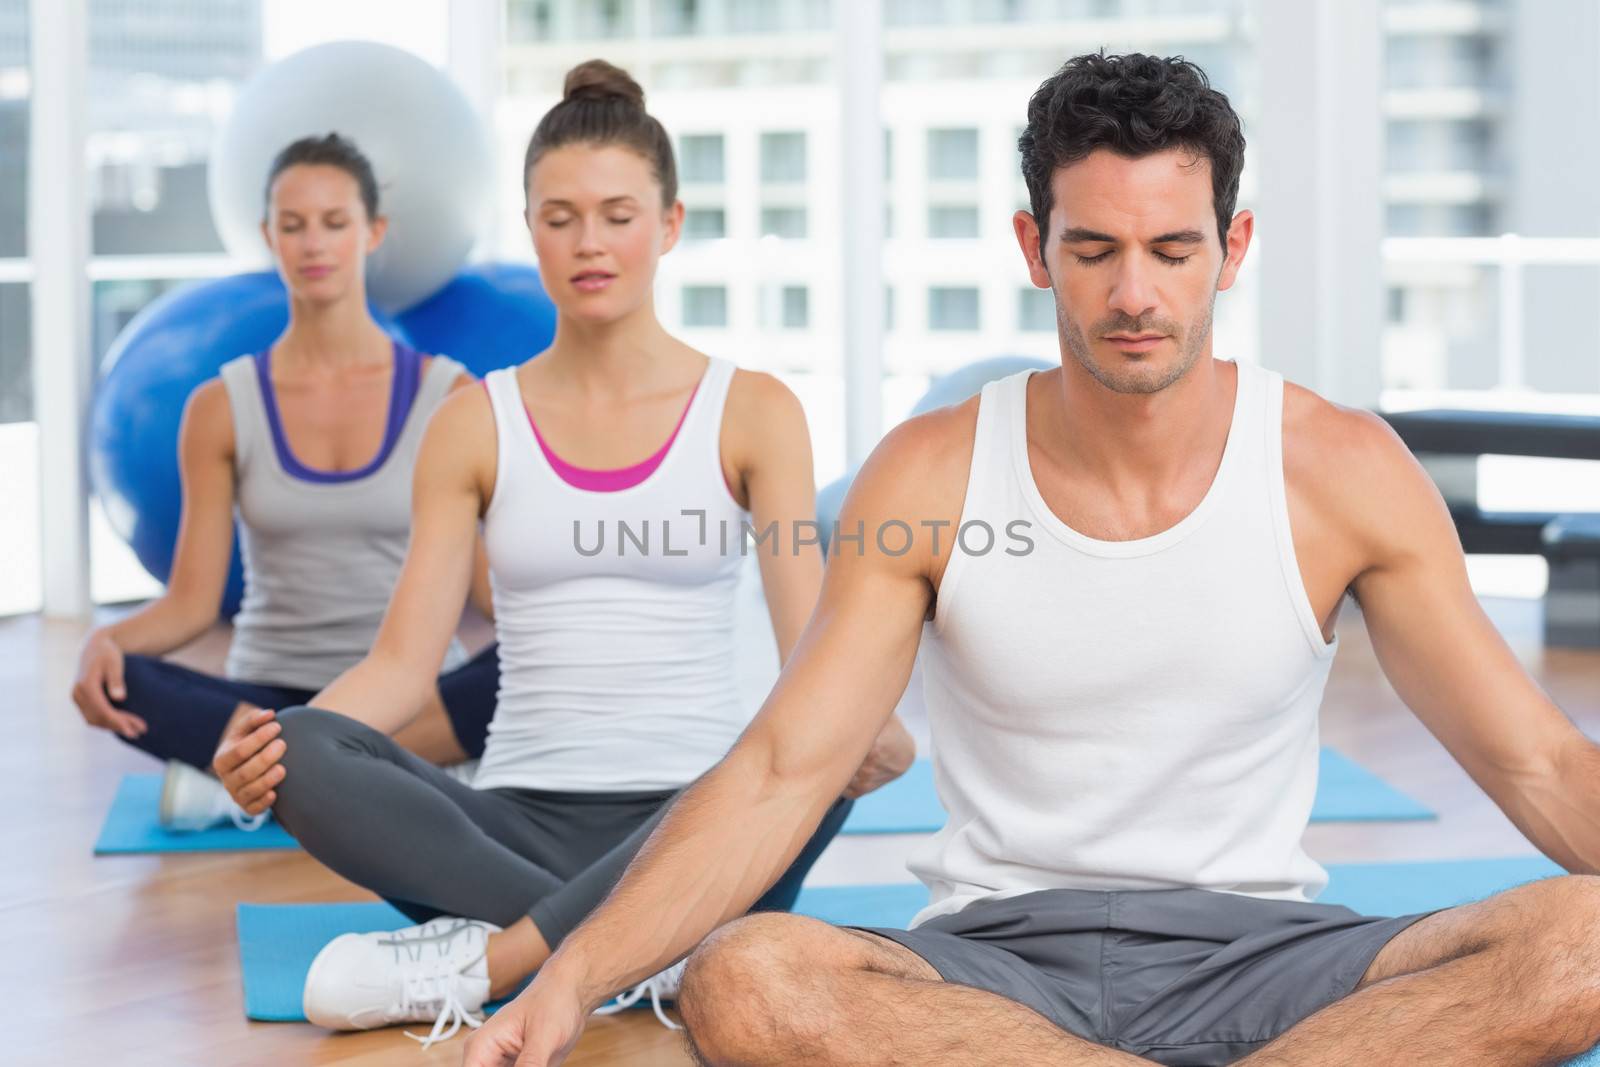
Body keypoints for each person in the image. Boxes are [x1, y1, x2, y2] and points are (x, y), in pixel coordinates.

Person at [462, 52, 1600, 1067]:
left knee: (1585, 942)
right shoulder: (930, 472)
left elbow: (1538, 762)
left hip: (1269, 960)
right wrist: (568, 975)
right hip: (996, 975)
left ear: (1231, 247)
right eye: (1093, 249)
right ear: (1033, 247)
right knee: (745, 977)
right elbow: (779, 771)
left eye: (1172, 248)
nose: (1134, 294)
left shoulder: (1339, 466)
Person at [212, 60, 915, 1047]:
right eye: (560, 216)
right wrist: (273, 755)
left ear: (668, 225)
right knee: (305, 745)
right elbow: (402, 667)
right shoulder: (473, 422)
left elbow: (813, 654)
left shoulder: (753, 410)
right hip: (507, 823)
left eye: (618, 214)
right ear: (529, 229)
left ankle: (494, 961)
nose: (590, 242)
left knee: (829, 748)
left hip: (702, 812)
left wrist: (864, 725)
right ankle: (651, 952)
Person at [70, 133, 498, 831]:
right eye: (293, 226)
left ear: (373, 232)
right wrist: (104, 644)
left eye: (335, 222)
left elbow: (486, 593)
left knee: (522, 670)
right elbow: (190, 604)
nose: (314, 244)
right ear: (269, 237)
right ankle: (364, 771)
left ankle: (257, 777)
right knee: (126, 678)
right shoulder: (220, 406)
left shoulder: (449, 395)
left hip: (409, 693)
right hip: (268, 694)